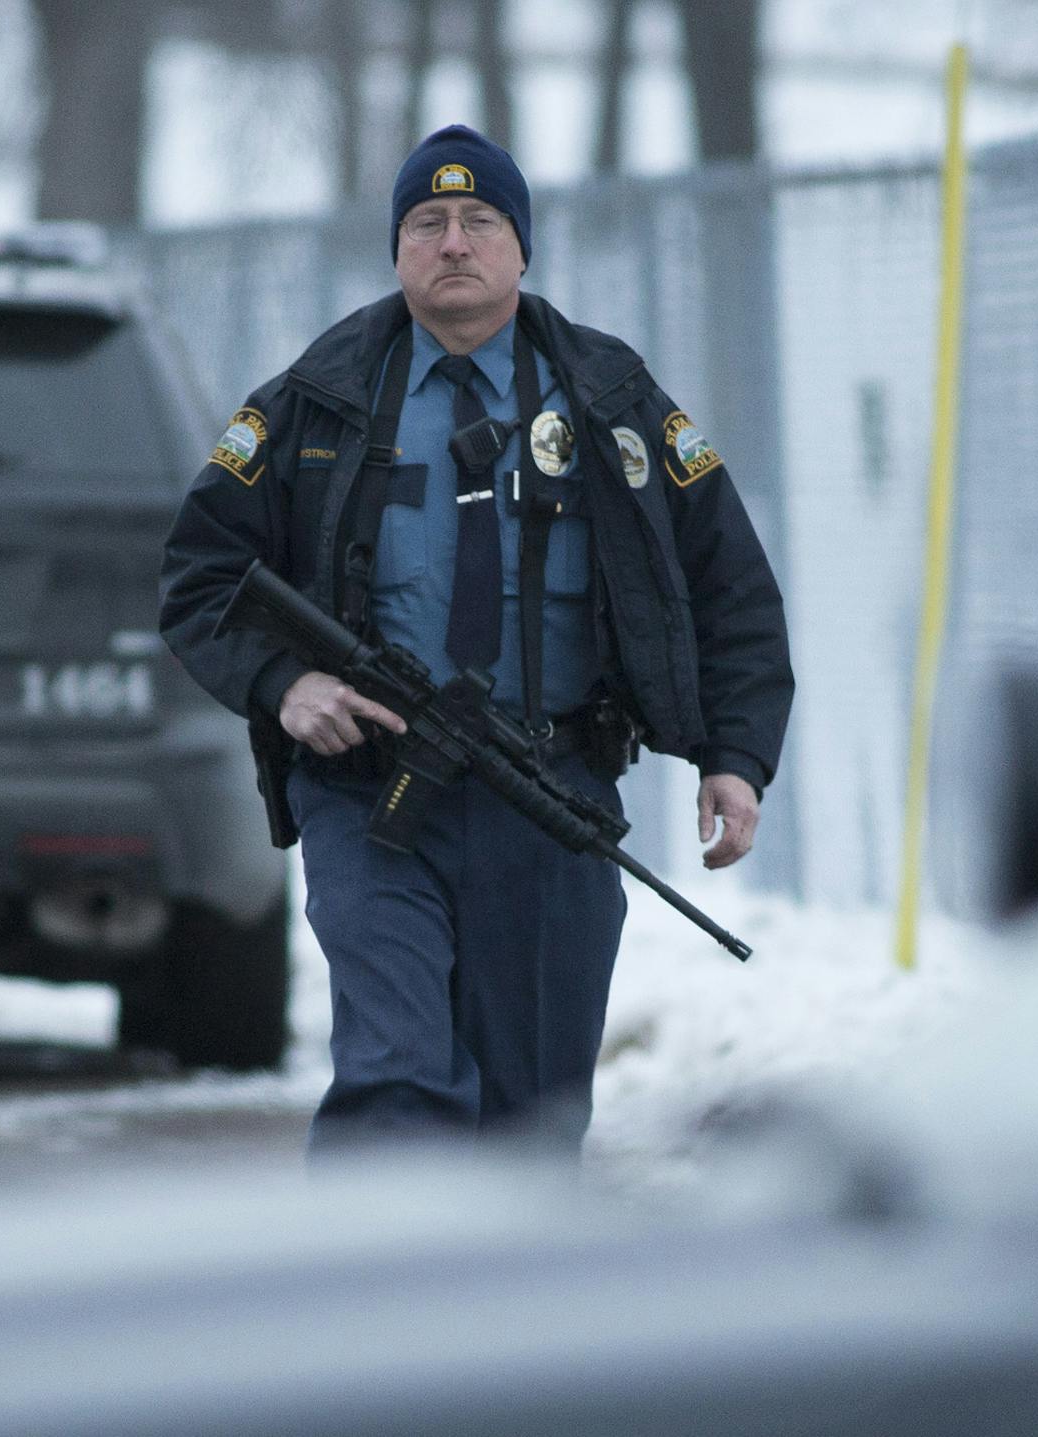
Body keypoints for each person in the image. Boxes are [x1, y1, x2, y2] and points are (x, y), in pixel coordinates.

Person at [160, 125, 793, 1152]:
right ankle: (377, 1307)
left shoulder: (609, 400)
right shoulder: (317, 403)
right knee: (396, 1082)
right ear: (398, 249)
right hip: (372, 795)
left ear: (521, 246)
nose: (453, 243)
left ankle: (506, 1309)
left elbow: (728, 585)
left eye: (478, 221)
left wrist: (735, 757)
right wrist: (284, 685)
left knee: (529, 1121)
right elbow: (201, 573)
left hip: (552, 798)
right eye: (427, 222)